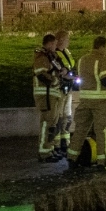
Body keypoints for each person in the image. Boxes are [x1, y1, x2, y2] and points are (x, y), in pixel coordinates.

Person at [68, 36, 106, 171]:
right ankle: (104, 162)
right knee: (103, 131)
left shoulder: (82, 60)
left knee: (80, 130)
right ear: (101, 46)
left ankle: (72, 159)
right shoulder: (102, 59)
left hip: (84, 100)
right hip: (100, 102)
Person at [32, 33, 66, 162]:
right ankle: (44, 153)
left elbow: (58, 69)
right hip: (45, 95)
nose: (56, 46)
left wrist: (63, 72)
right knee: (47, 123)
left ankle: (50, 150)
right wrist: (55, 81)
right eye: (54, 44)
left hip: (52, 94)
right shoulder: (41, 56)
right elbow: (41, 74)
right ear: (50, 43)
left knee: (53, 124)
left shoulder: (51, 57)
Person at [53, 29, 78, 156]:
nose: (69, 41)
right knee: (59, 117)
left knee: (67, 116)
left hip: (69, 88)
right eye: (67, 39)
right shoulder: (55, 54)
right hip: (60, 89)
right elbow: (61, 71)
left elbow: (71, 67)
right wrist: (71, 76)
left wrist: (73, 76)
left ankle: (65, 142)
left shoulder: (66, 52)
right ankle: (56, 144)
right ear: (61, 40)